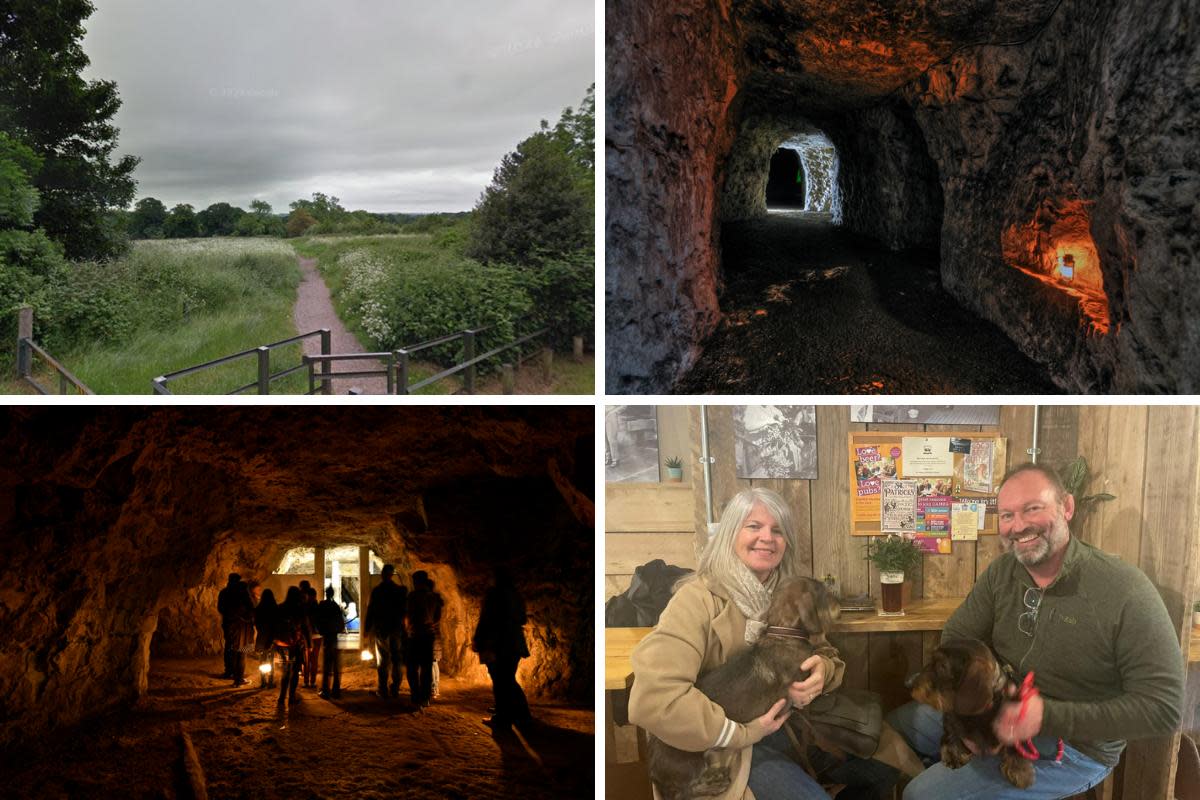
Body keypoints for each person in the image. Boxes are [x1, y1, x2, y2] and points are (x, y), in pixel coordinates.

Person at [889, 464, 1185, 799]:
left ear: (1067, 507)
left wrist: (1045, 715)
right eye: (1006, 515)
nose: (1018, 526)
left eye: (1032, 508)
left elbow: (1165, 709)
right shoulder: (1003, 572)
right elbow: (957, 636)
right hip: (994, 712)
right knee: (893, 730)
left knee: (922, 795)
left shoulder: (1126, 589)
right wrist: (975, 704)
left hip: (1075, 747)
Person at [628, 488, 900, 800]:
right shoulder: (696, 600)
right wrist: (744, 732)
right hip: (721, 749)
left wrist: (821, 672)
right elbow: (654, 698)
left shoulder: (787, 594)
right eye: (754, 526)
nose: (767, 538)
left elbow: (826, 654)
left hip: (790, 730)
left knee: (885, 769)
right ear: (731, 534)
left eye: (777, 530)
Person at [472, 567, 532, 732]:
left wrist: (478, 639)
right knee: (508, 679)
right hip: (514, 643)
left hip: (497, 643)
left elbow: (486, 618)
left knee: (500, 681)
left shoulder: (493, 594)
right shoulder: (516, 594)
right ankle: (522, 715)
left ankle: (502, 719)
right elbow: (522, 618)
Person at [364, 564, 408, 698]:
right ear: (392, 574)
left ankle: (382, 689)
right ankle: (395, 688)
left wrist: (367, 628)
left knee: (383, 659)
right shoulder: (399, 591)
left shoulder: (378, 591)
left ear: (383, 574)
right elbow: (404, 610)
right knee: (397, 659)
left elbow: (371, 610)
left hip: (382, 628)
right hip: (396, 628)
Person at [406, 570, 443, 708]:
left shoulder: (413, 596)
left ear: (416, 582)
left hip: (415, 635)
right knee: (426, 668)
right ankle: (425, 698)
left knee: (412, 668)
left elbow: (409, 615)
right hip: (429, 636)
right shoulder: (434, 597)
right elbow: (438, 617)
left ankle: (415, 696)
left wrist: (408, 629)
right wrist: (431, 625)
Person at [273, 586, 311, 707]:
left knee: (285, 671)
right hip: (295, 645)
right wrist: (309, 644)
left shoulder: (280, 608)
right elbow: (305, 627)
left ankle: (281, 697)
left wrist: (273, 641)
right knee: (294, 672)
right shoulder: (300, 609)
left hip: (282, 645)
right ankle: (291, 697)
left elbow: (273, 626)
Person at [314, 586, 346, 699]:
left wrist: (321, 630)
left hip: (327, 637)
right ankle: (336, 690)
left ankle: (326, 690)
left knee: (327, 665)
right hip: (335, 637)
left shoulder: (322, 605)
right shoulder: (335, 606)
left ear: (326, 593)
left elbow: (317, 620)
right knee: (336, 665)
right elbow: (341, 624)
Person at [216, 573, 243, 679]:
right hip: (238, 624)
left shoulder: (223, 592)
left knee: (229, 646)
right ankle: (237, 672)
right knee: (239, 648)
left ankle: (229, 670)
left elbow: (220, 608)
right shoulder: (240, 594)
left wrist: (228, 615)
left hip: (228, 623)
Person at [254, 588, 278, 687]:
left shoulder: (259, 608)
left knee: (262, 659)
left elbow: (256, 622)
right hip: (271, 637)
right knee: (271, 660)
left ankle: (263, 681)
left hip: (261, 637)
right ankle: (271, 681)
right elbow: (277, 624)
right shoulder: (275, 608)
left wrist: (260, 630)